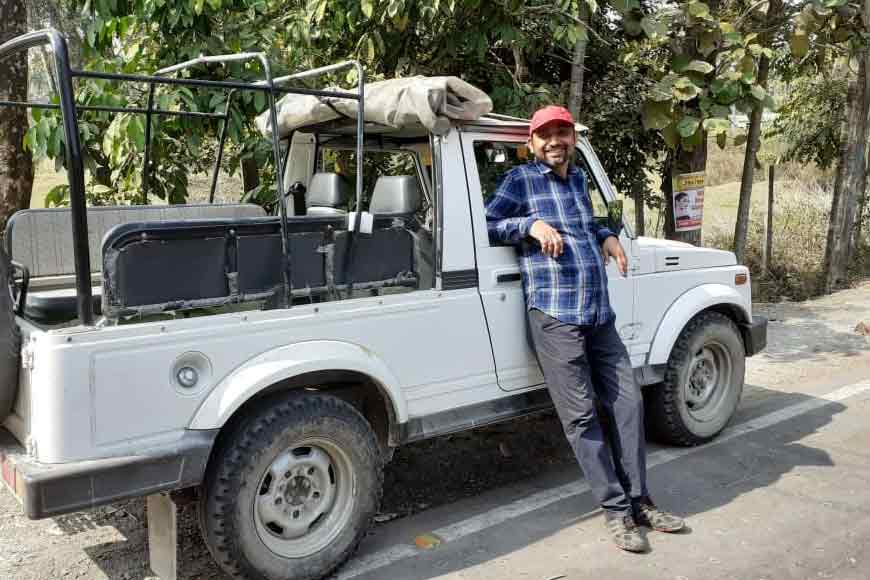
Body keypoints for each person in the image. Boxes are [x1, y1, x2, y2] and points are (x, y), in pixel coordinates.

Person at [485, 105, 684, 553]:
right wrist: (529, 225)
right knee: (581, 417)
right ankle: (616, 511)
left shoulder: (577, 178)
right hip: (556, 316)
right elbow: (487, 224)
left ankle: (641, 501)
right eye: (546, 135)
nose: (555, 141)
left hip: (598, 313)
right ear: (532, 144)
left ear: (572, 138)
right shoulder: (521, 181)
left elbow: (583, 224)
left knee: (628, 404)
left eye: (562, 133)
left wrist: (605, 236)